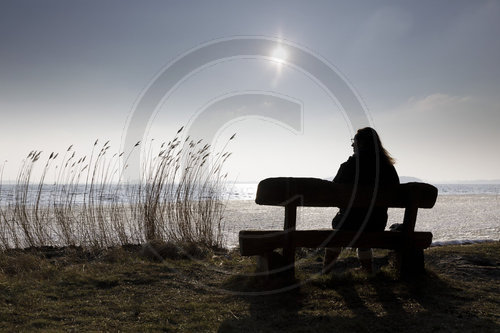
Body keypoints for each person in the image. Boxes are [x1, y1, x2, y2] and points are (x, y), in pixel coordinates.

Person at [323, 127, 399, 274]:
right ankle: (367, 269)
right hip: (376, 224)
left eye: (354, 141)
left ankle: (326, 270)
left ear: (362, 143)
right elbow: (395, 192)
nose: (352, 145)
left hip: (348, 224)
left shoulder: (350, 166)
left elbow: (333, 193)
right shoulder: (388, 168)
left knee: (341, 227)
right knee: (365, 220)